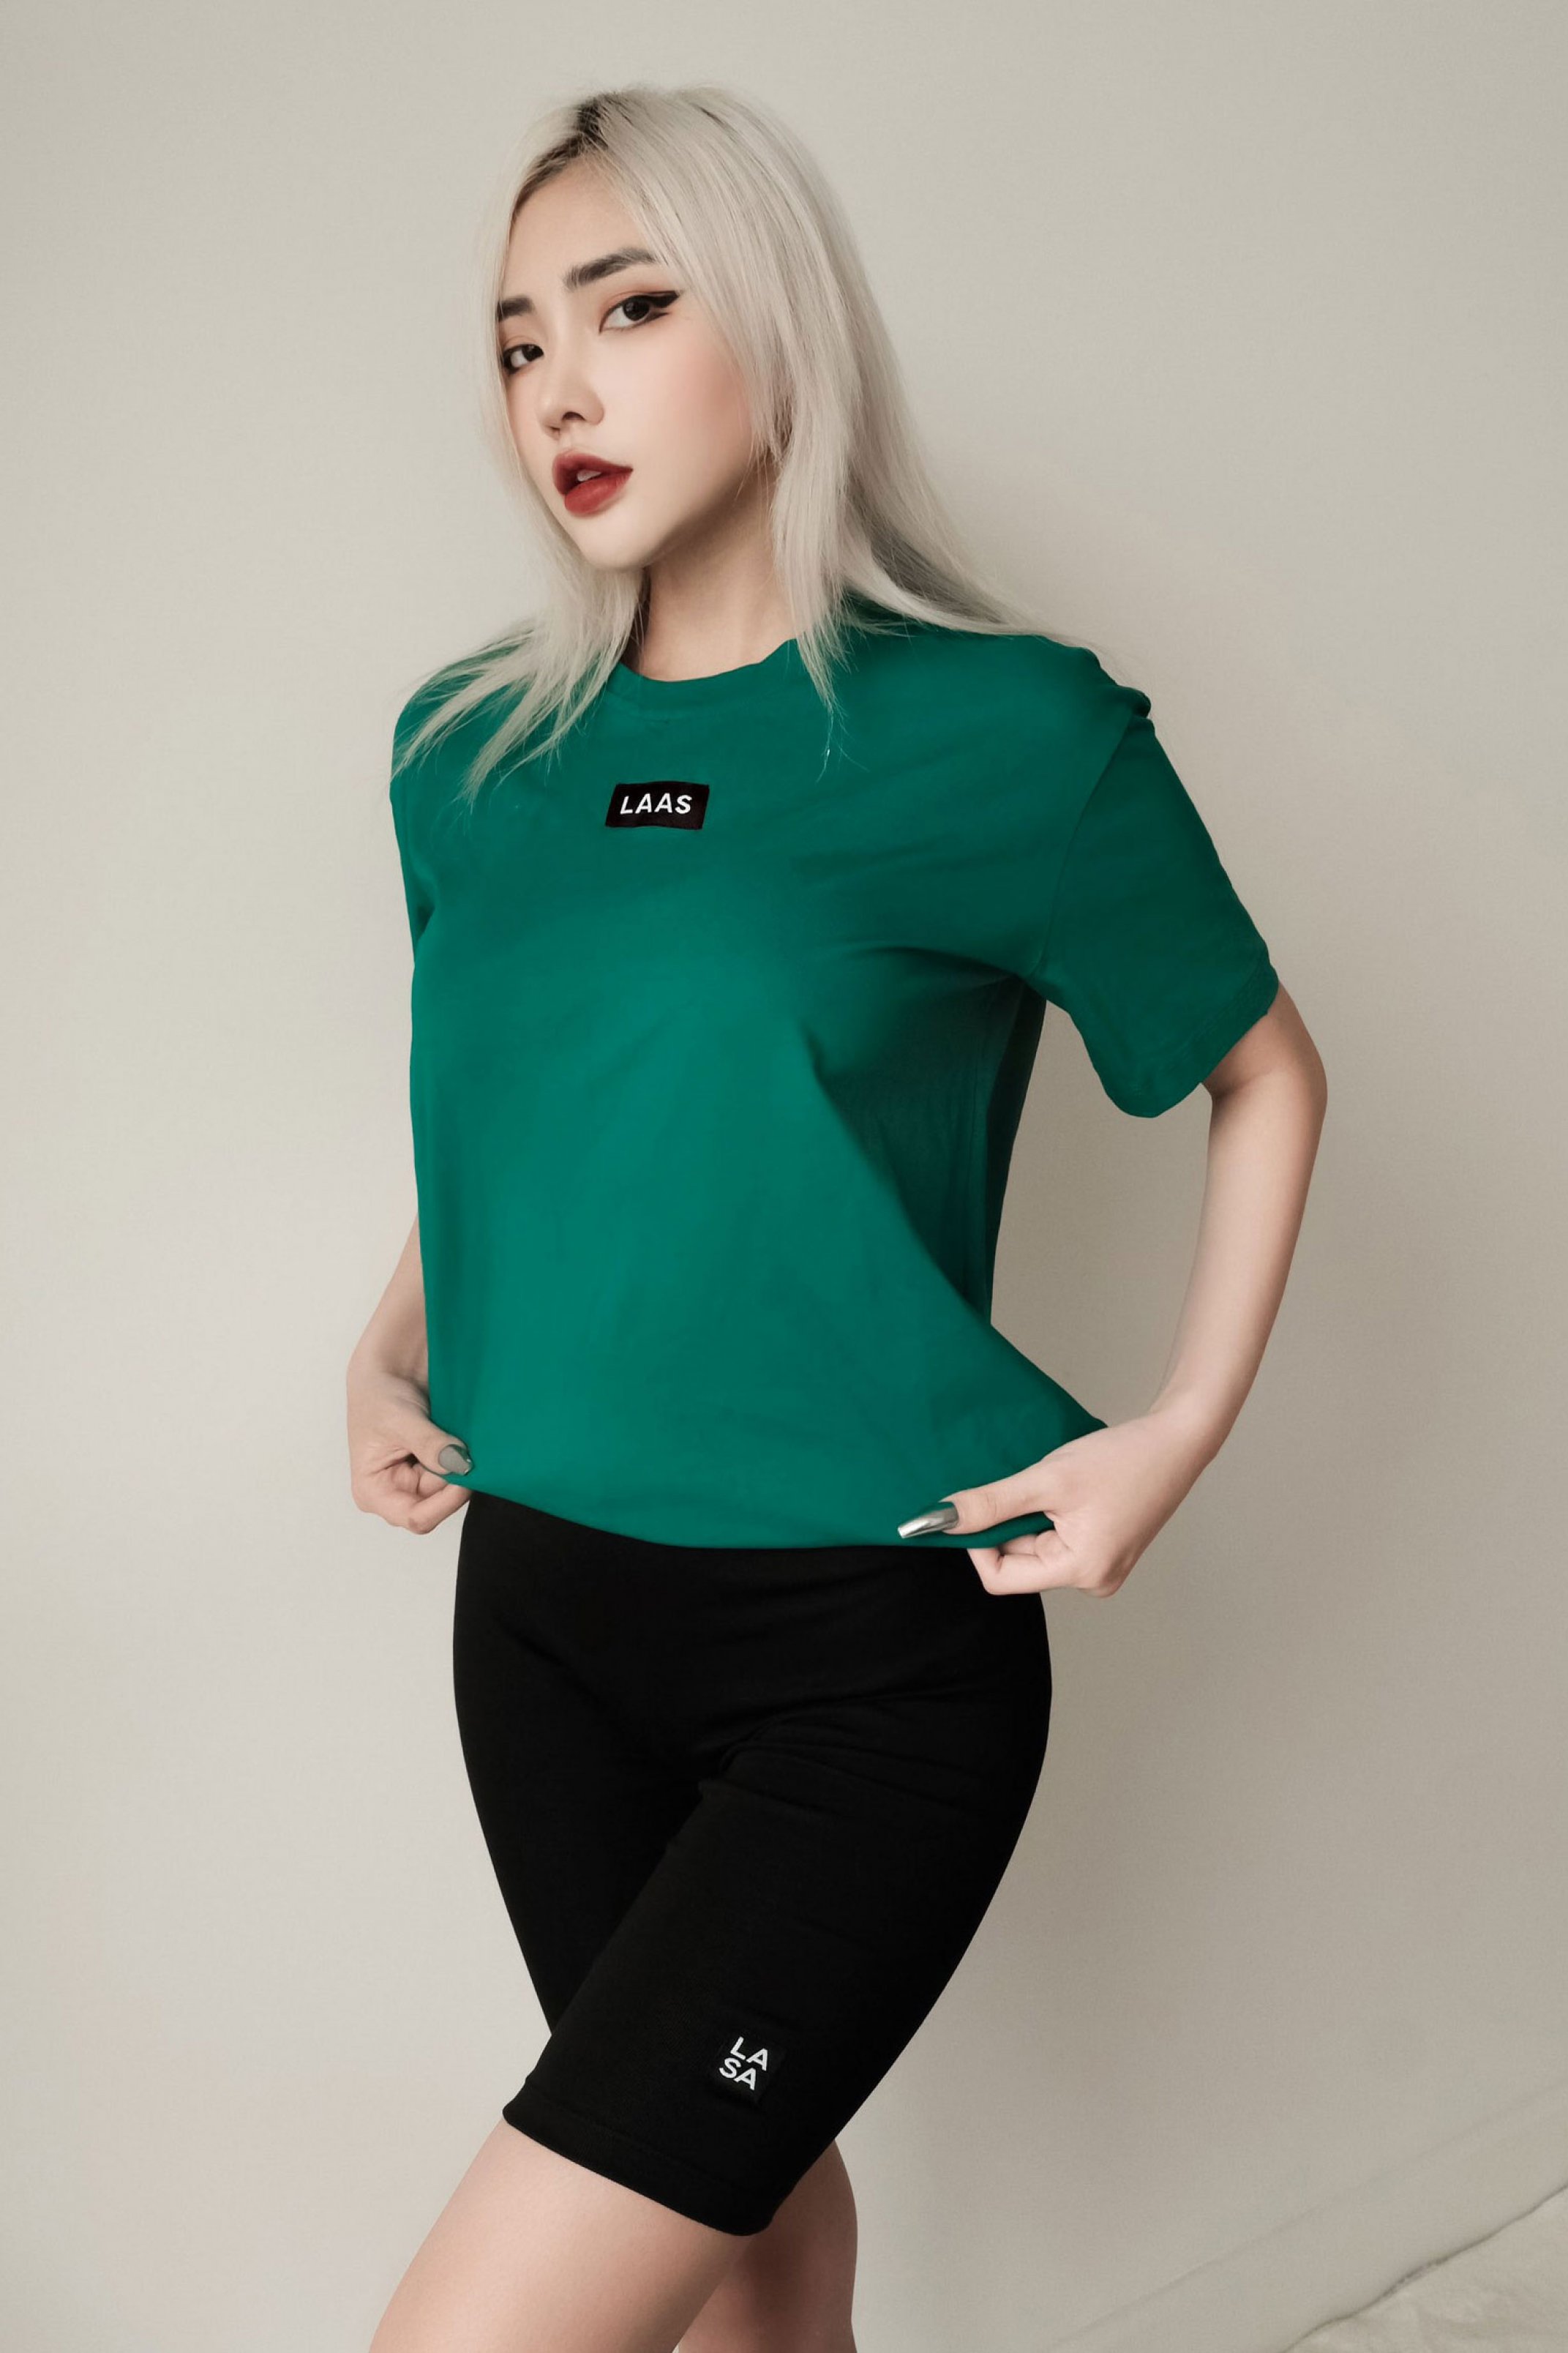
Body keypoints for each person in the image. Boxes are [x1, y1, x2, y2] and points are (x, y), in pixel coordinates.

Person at [346, 81, 1327, 2353]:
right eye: (517, 341)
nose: (558, 388)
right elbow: (535, 1117)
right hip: (541, 1623)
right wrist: (387, 1348)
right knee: (757, 2235)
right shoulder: (465, 752)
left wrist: (1172, 1436)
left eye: (628, 309)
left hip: (860, 1661)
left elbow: (1266, 1071)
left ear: (778, 324)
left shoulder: (1012, 737)